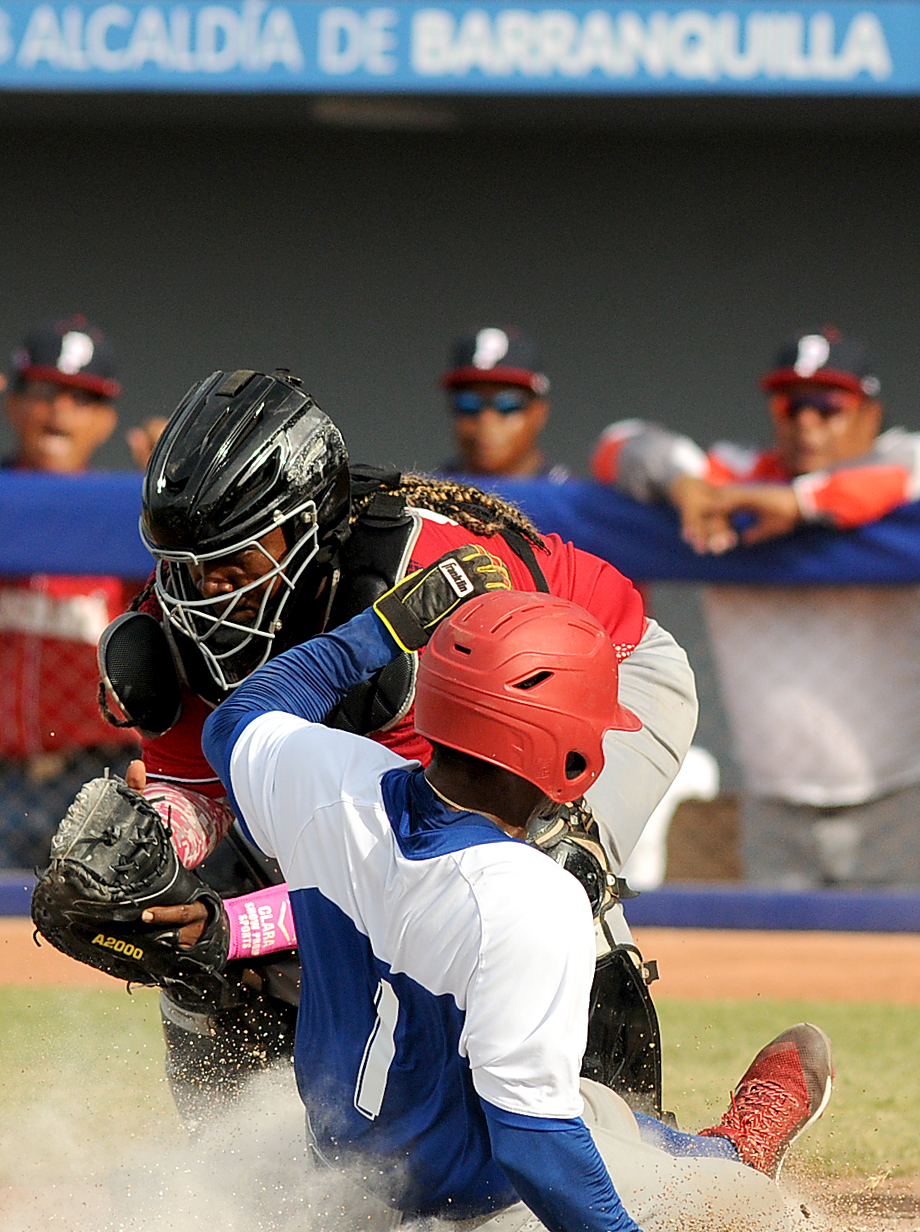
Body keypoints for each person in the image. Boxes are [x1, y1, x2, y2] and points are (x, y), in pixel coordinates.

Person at [94, 366, 697, 1118]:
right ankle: (236, 1157)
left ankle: (631, 1137)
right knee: (196, 913)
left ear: (306, 529)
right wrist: (157, 853)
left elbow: (405, 866)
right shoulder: (172, 630)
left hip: (597, 674)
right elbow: (207, 796)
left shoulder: (422, 597)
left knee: (546, 871)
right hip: (434, 743)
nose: (200, 591)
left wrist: (235, 928)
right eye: (180, 566)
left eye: (229, 558)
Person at [189, 580, 832, 1232]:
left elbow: (238, 718)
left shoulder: (329, 778)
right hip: (486, 1213)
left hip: (339, 1181)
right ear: (569, 753)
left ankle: (715, 1149)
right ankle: (735, 1165)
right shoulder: (529, 894)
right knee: (745, 1210)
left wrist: (381, 628)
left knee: (588, 1108)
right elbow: (533, 1146)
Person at [592, 325, 920, 887]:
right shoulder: (734, 482)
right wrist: (681, 485)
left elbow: (904, 468)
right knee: (779, 973)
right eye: (792, 407)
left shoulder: (897, 463)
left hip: (898, 801)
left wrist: (797, 503)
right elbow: (619, 443)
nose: (806, 424)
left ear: (869, 415)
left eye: (827, 407)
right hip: (774, 810)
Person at [0, 315, 138, 868]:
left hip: (94, 772)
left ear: (106, 421)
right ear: (11, 400)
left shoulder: (131, 518)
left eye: (83, 399)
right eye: (44, 391)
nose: (60, 410)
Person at [437, 326, 570, 481]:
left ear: (539, 413)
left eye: (507, 405)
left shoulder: (570, 499)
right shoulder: (426, 496)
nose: (486, 421)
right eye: (468, 404)